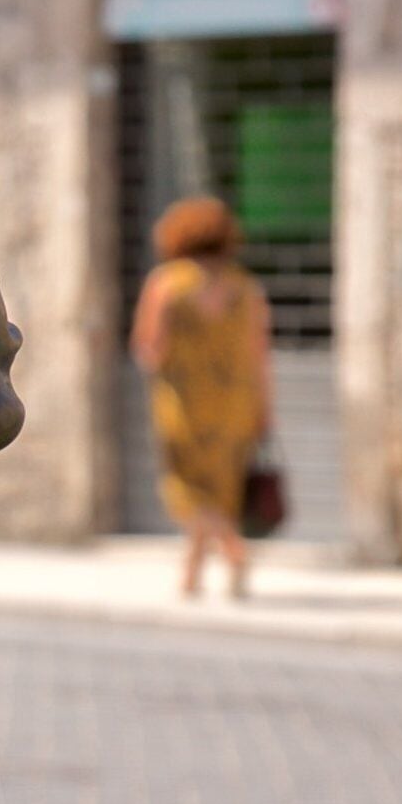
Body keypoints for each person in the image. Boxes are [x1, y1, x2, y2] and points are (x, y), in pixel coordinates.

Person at [130, 195, 272, 598]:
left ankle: (234, 551)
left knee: (187, 488)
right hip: (235, 405)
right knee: (220, 490)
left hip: (184, 402)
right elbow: (260, 356)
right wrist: (265, 411)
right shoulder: (246, 288)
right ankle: (191, 574)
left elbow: (148, 348)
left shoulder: (167, 283)